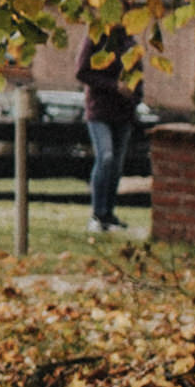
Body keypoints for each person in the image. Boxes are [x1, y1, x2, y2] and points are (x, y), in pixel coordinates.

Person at [77, 29, 136, 235]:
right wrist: (113, 86)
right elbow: (82, 71)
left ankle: (109, 215)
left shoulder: (129, 39)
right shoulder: (95, 36)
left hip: (124, 112)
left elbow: (138, 72)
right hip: (100, 111)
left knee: (117, 165)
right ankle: (97, 214)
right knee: (106, 157)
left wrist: (135, 96)